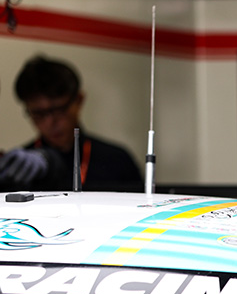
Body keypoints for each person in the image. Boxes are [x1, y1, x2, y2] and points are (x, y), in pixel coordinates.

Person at [4, 55, 142, 192]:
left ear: (79, 100)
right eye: (38, 113)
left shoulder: (117, 161)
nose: (50, 122)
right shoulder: (19, 168)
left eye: (59, 110)